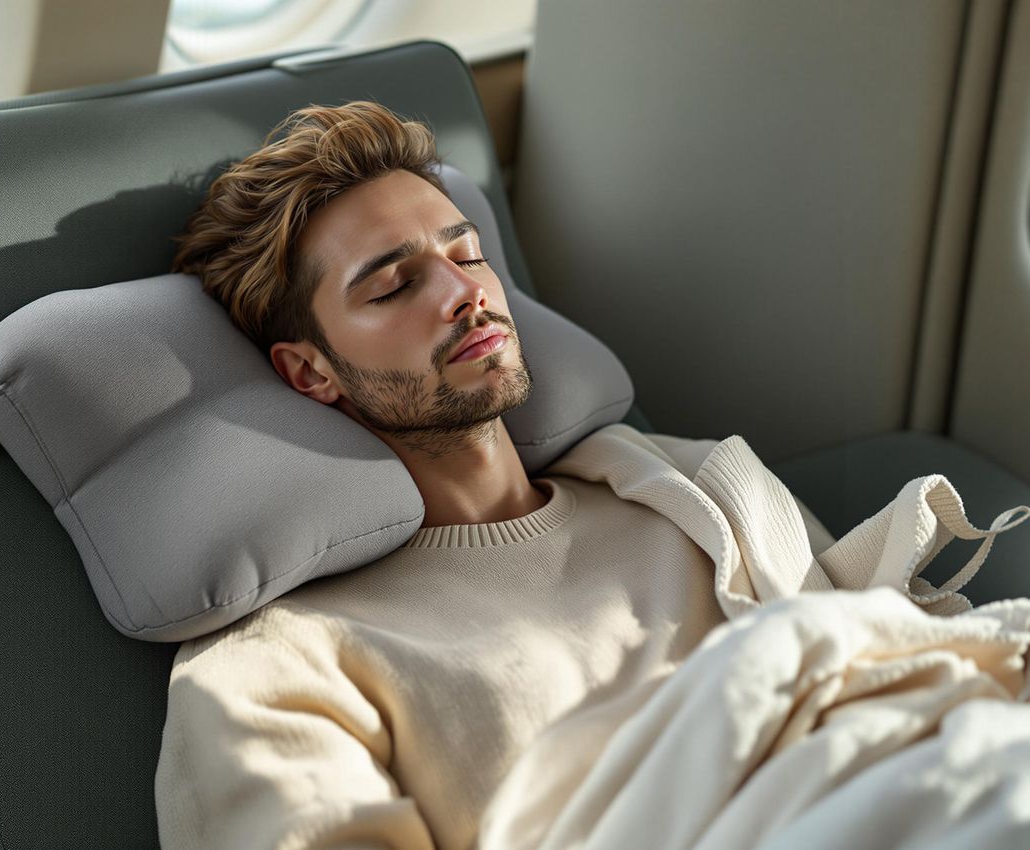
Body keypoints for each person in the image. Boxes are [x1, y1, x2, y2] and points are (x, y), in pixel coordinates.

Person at [153, 100, 834, 849]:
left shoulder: (696, 486)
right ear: (312, 372)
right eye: (392, 286)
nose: (464, 295)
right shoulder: (281, 663)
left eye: (468, 254)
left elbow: (911, 664)